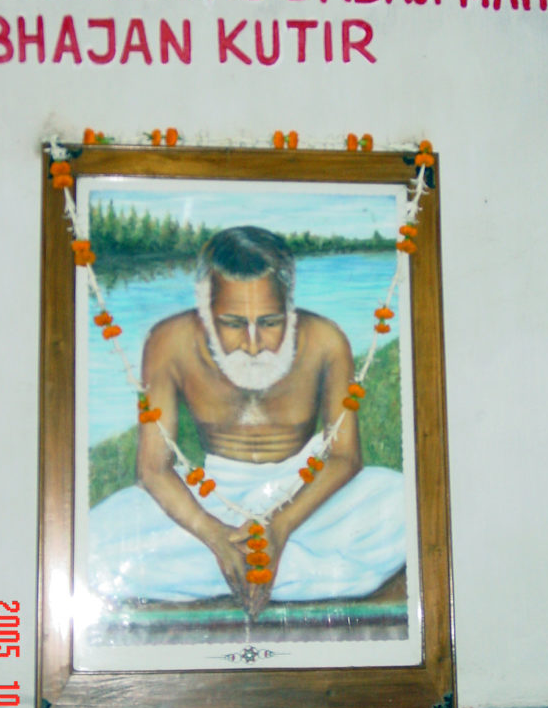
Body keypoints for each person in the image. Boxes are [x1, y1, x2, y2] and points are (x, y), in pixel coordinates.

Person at [89, 225, 406, 616]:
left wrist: (281, 528)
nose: (254, 345)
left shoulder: (326, 339)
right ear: (205, 310)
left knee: (400, 502)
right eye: (234, 323)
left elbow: (344, 457)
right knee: (94, 538)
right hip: (211, 496)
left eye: (270, 322)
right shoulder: (168, 340)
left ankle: (244, 569)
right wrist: (217, 538)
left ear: (289, 304)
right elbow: (154, 469)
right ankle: (289, 571)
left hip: (305, 497)